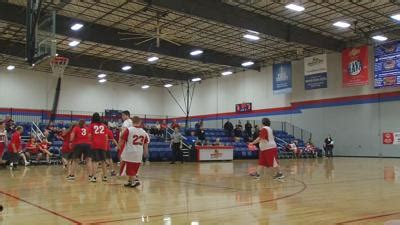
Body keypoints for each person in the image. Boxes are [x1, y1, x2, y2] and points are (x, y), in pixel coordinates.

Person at [119, 116, 149, 188]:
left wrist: (118, 147)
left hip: (130, 152)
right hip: (139, 153)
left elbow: (122, 140)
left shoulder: (129, 130)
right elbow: (145, 144)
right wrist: (146, 153)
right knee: (134, 168)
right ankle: (130, 181)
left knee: (129, 169)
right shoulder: (144, 132)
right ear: (140, 122)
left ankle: (135, 180)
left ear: (132, 122)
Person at [89, 113, 109, 182]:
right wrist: (105, 146)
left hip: (95, 144)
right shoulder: (104, 126)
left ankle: (94, 177)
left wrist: (91, 141)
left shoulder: (91, 125)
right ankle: (105, 176)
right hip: (103, 145)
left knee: (95, 161)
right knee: (103, 161)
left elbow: (89, 136)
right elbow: (106, 137)